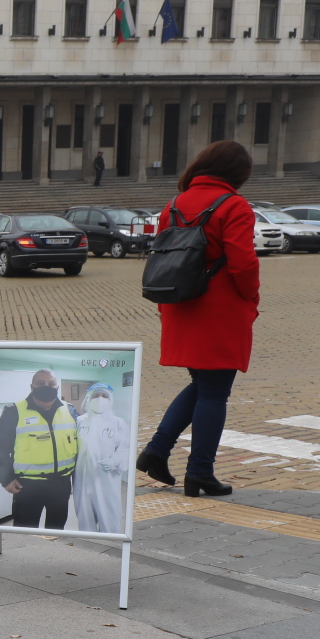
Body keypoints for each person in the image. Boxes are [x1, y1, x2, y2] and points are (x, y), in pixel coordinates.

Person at [135, 141, 260, 498]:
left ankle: (157, 452)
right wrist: (251, 296)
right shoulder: (233, 205)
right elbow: (243, 262)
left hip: (178, 303)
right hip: (217, 311)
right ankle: (200, 472)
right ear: (237, 173)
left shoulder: (174, 204)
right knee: (215, 392)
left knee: (202, 387)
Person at [0, 370, 79, 529]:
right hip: (27, 487)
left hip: (61, 484)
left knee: (56, 529)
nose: (47, 387)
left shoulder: (70, 410)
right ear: (32, 387)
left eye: (51, 384)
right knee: (24, 531)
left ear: (57, 386)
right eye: (41, 383)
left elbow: (80, 445)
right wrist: (6, 479)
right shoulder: (14, 411)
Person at [72, 383, 132, 533]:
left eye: (104, 396)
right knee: (85, 517)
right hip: (82, 479)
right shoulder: (80, 421)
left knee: (109, 517)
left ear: (111, 399)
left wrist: (115, 461)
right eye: (95, 396)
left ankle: (110, 544)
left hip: (106, 479)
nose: (100, 399)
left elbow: (125, 449)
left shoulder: (118, 423)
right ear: (88, 399)